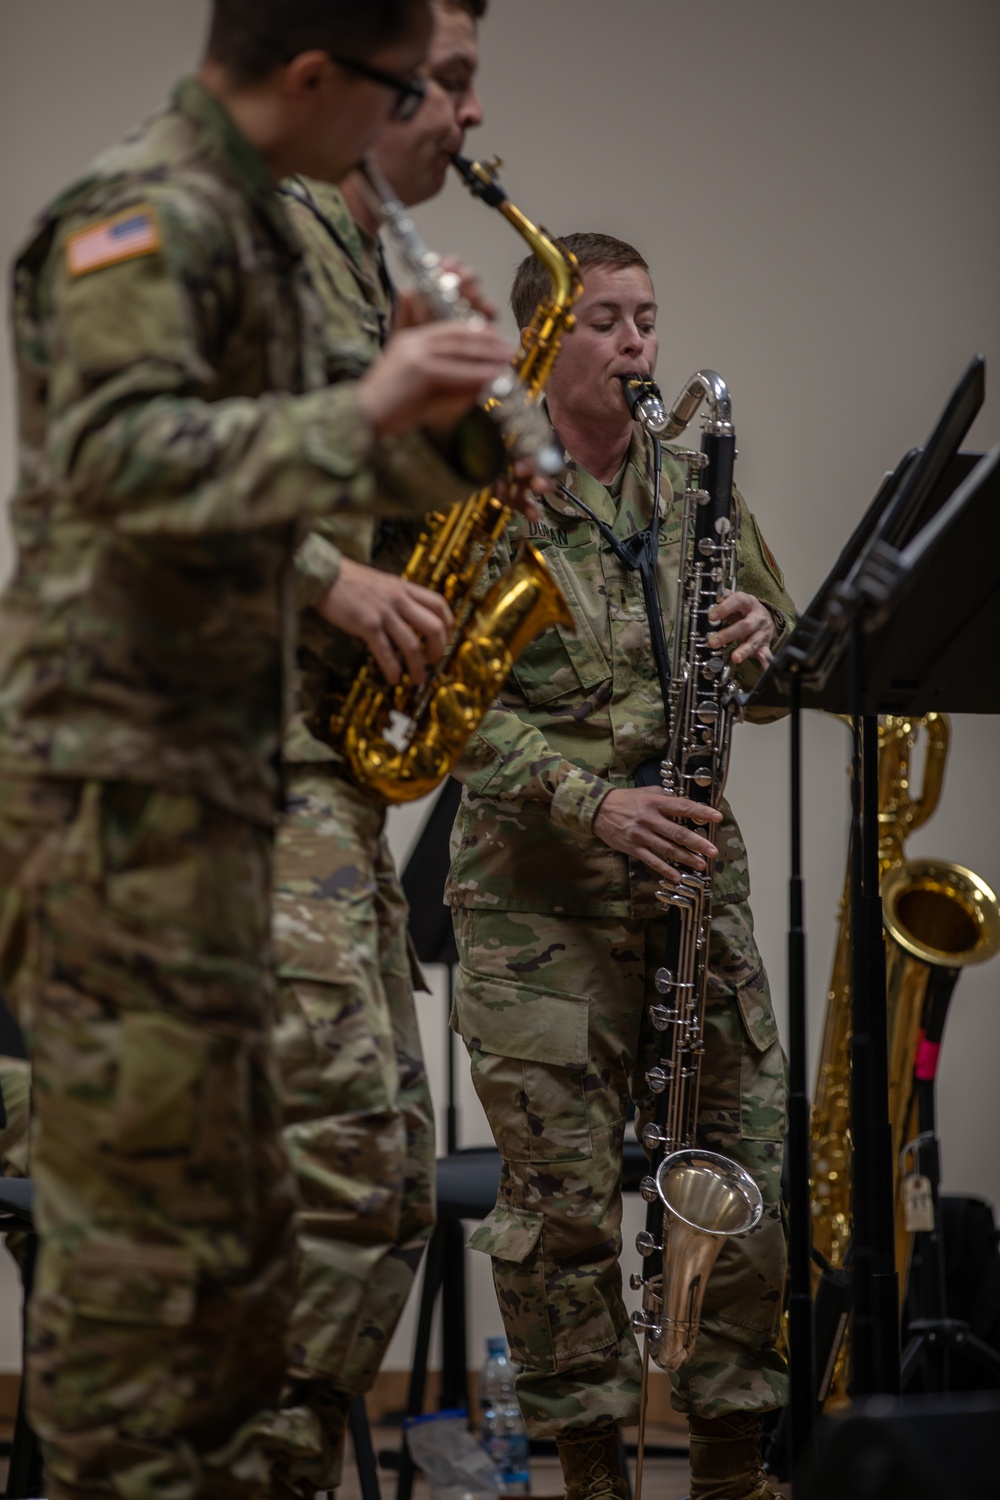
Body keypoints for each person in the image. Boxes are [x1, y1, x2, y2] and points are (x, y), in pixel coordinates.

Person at [0, 3, 522, 1497]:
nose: (425, 116)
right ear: (315, 78)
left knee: (249, 1250)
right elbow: (115, 456)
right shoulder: (145, 212)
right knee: (147, 1276)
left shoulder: (269, 225)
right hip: (120, 799)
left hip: (223, 783)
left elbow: (302, 460)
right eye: (405, 87)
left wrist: (457, 430)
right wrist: (368, 403)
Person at [447, 233, 797, 1500]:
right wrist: (594, 804)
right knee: (565, 1223)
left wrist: (764, 638)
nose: (639, 343)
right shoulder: (477, 494)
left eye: (648, 317)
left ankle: (729, 1467)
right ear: (547, 339)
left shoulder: (693, 481)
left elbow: (773, 651)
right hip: (542, 919)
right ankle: (588, 1475)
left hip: (697, 893)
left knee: (742, 1173)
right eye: (606, 319)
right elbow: (452, 706)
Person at [262, 5, 491, 1494]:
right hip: (236, 764)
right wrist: (328, 572)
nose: (467, 120)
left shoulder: (387, 257)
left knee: (396, 1184)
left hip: (330, 773)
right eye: (450, 83)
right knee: (346, 1179)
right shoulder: (264, 229)